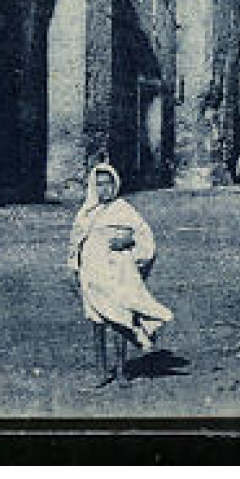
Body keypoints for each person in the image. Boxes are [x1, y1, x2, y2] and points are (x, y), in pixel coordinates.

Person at [67, 163, 173, 386]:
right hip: (92, 272)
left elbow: (143, 235)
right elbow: (75, 243)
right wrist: (75, 269)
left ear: (115, 185)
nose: (104, 189)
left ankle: (122, 370)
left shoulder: (124, 209)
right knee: (97, 321)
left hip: (116, 272)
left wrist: (127, 241)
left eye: (108, 184)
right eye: (99, 185)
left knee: (120, 320)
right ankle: (101, 370)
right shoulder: (86, 213)